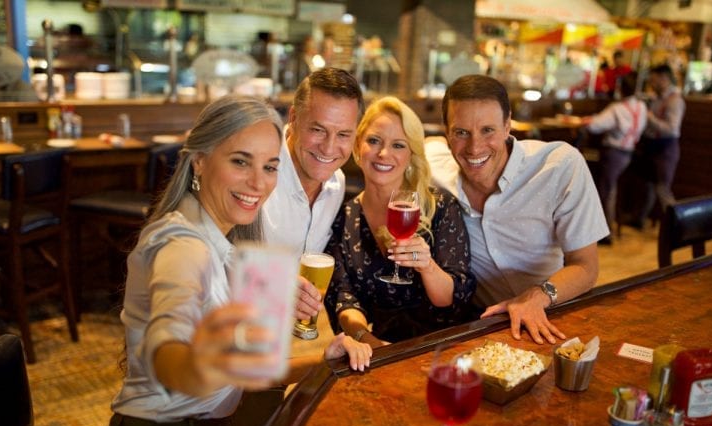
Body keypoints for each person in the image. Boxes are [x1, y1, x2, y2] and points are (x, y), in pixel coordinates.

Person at [82, 95, 372, 426]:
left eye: (270, 167)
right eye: (240, 161)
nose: (258, 183)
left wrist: (324, 355)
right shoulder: (183, 245)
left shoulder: (229, 238)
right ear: (199, 161)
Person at [426, 75, 609, 345]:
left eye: (488, 130)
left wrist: (537, 296)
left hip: (551, 314)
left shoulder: (560, 166)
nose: (475, 147)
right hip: (481, 327)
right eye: (461, 132)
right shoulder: (437, 171)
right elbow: (425, 146)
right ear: (447, 132)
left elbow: (586, 267)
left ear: (507, 124)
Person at [324, 96, 476, 346]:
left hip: (443, 346)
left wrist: (426, 265)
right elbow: (344, 297)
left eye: (398, 145)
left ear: (411, 155)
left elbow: (452, 299)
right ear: (358, 145)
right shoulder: (344, 217)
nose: (384, 154)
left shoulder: (439, 206)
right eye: (374, 141)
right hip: (379, 349)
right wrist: (369, 341)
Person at [261, 67, 364, 322]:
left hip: (290, 330)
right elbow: (212, 261)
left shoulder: (336, 183)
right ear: (294, 117)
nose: (329, 148)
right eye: (318, 130)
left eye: (343, 134)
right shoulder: (258, 173)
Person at [582, 72, 647, 243]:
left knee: (606, 190)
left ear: (621, 88)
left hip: (614, 153)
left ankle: (605, 233)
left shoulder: (617, 108)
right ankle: (607, 229)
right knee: (611, 189)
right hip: (629, 153)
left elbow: (596, 125)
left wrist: (585, 121)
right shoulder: (642, 107)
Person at [628, 63, 686, 229]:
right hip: (651, 146)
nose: (651, 84)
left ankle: (678, 226)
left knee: (662, 188)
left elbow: (672, 129)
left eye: (653, 80)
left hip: (666, 148)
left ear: (664, 79)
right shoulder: (656, 98)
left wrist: (649, 117)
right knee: (647, 186)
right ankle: (639, 219)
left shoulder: (675, 100)